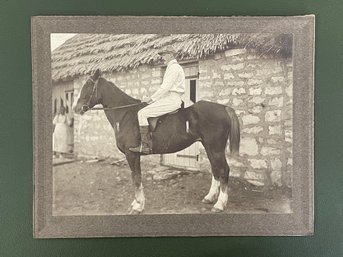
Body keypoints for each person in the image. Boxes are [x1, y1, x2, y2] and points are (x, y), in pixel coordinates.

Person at [129, 46, 185, 154]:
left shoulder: (174, 68)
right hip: (169, 98)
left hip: (172, 100)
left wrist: (151, 99)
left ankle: (145, 146)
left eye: (164, 55)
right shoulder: (171, 67)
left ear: (170, 55)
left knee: (141, 114)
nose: (163, 57)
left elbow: (165, 87)